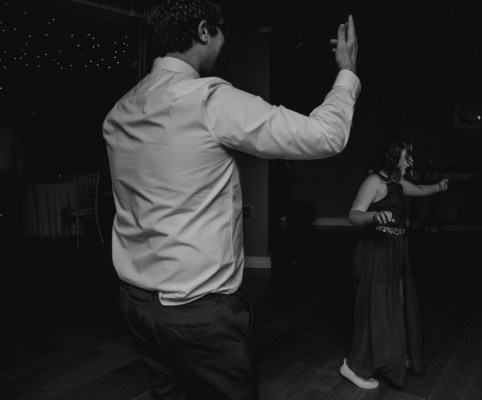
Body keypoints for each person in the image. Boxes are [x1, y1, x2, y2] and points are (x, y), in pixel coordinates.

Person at [102, 0, 359, 399]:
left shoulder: (120, 110)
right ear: (204, 31)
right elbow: (325, 136)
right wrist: (346, 72)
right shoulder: (209, 100)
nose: (224, 43)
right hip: (198, 313)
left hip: (137, 305)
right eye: (223, 32)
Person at [340, 135, 448, 389]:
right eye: (405, 155)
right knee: (376, 309)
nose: (410, 159)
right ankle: (354, 366)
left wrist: (438, 188)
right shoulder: (374, 181)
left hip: (397, 249)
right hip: (375, 252)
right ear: (391, 156)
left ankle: (391, 358)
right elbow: (353, 215)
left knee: (394, 305)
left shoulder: (396, 180)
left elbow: (419, 190)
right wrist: (374, 215)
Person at [0, 113, 25, 242]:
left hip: (9, 176)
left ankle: (13, 236)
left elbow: (19, 153)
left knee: (11, 207)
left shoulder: (10, 133)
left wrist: (19, 174)